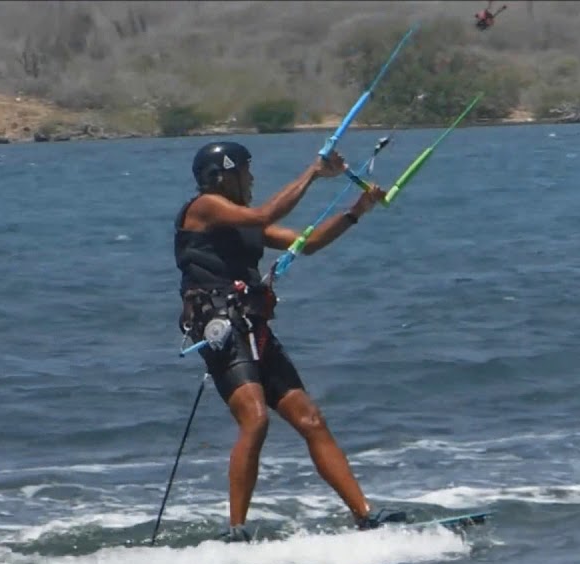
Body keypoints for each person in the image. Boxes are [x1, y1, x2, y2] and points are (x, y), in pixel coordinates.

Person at [174, 141, 407, 542]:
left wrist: (355, 211)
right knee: (256, 419)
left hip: (252, 327)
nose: (252, 178)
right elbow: (265, 212)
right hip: (221, 328)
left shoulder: (245, 224)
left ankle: (365, 517)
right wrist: (314, 172)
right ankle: (237, 532)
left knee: (310, 419)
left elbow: (308, 242)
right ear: (222, 176)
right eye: (246, 170)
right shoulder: (204, 208)